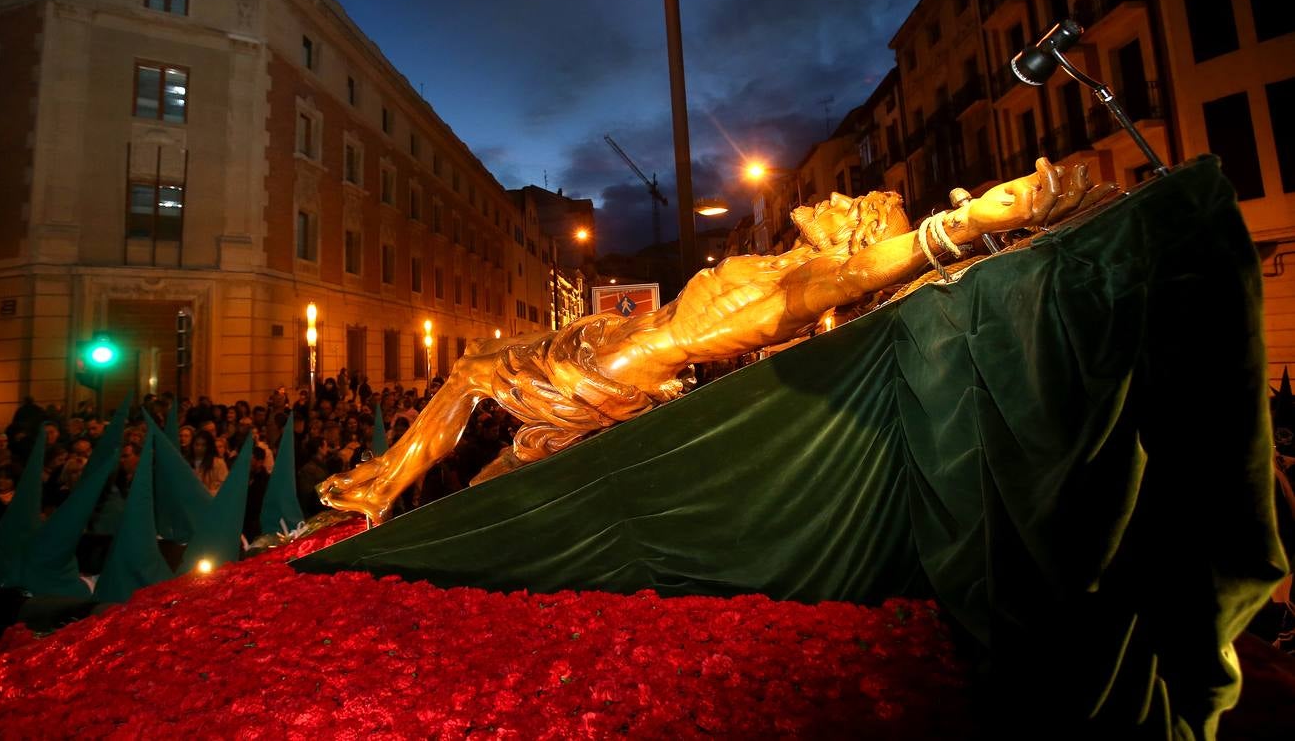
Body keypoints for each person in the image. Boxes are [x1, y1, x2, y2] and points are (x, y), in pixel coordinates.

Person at [321, 159, 1109, 521]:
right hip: (618, 347)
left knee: (470, 371)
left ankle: (383, 493)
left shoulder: (809, 286)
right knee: (519, 458)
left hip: (622, 360)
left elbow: (896, 257)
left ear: (858, 240)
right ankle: (444, 521)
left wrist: (992, 214)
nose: (835, 198)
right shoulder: (787, 268)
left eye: (855, 203)